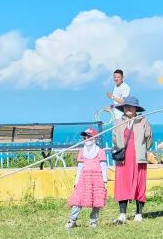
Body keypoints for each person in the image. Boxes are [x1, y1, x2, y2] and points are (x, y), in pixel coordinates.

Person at [112, 96, 152, 224]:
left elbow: (149, 139)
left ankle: (139, 213)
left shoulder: (143, 121)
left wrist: (141, 150)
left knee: (139, 184)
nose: (128, 108)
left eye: (131, 106)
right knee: (122, 184)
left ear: (136, 108)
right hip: (123, 159)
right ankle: (122, 214)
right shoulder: (118, 122)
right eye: (126, 106)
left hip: (137, 159)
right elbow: (114, 139)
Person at [65, 127, 108, 229]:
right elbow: (80, 168)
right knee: (78, 199)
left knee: (97, 200)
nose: (86, 139)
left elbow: (103, 167)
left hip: (97, 179)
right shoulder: (82, 152)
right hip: (84, 179)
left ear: (95, 138)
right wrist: (76, 181)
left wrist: (105, 181)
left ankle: (93, 222)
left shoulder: (100, 151)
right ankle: (72, 220)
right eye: (85, 137)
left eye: (89, 137)